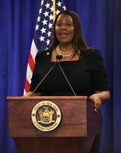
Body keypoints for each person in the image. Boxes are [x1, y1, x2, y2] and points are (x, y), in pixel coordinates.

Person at [26, 10, 110, 152]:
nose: (63, 28)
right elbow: (35, 92)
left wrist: (97, 97)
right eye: (59, 24)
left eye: (68, 24)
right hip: (47, 125)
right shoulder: (42, 57)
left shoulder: (91, 56)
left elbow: (104, 92)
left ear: (76, 28)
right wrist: (26, 98)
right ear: (54, 29)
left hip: (83, 121)